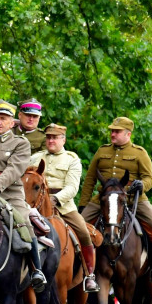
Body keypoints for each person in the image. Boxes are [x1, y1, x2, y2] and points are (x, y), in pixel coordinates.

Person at [79, 116, 152, 283]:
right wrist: (83, 205)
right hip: (102, 200)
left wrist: (142, 185)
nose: (113, 134)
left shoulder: (139, 153)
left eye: (117, 131)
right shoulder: (101, 151)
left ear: (128, 134)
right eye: (112, 131)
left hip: (133, 199)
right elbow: (90, 179)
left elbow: (149, 178)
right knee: (79, 226)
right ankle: (80, 265)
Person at [0, 102, 48, 292]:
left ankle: (36, 270)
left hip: (10, 194)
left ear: (12, 123)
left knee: (24, 223)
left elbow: (15, 169)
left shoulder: (20, 144)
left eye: (3, 119)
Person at [30, 124, 99, 292]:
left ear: (63, 139)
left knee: (83, 232)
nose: (51, 140)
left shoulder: (72, 159)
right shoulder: (35, 158)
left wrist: (55, 199)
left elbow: (72, 187)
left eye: (55, 137)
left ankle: (89, 275)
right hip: (35, 205)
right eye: (48, 137)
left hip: (63, 206)